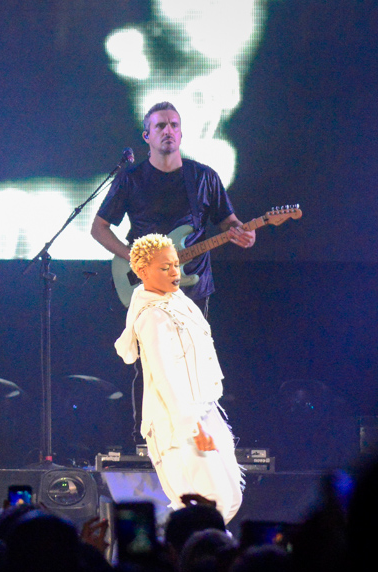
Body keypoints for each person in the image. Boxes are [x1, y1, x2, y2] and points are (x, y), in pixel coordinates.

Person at [114, 234, 244, 522]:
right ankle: (182, 553)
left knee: (230, 497)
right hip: (177, 421)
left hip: (205, 409)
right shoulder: (152, 317)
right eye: (165, 267)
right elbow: (165, 377)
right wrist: (192, 426)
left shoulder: (179, 301)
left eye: (175, 265)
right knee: (212, 502)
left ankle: (185, 547)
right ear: (142, 272)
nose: (175, 272)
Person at [91, 101, 256, 312]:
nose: (168, 130)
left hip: (192, 287)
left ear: (180, 134)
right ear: (146, 136)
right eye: (160, 126)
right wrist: (134, 258)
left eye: (174, 125)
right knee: (148, 346)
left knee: (192, 346)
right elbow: (98, 228)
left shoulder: (204, 177)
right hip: (146, 286)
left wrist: (243, 232)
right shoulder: (129, 179)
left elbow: (228, 221)